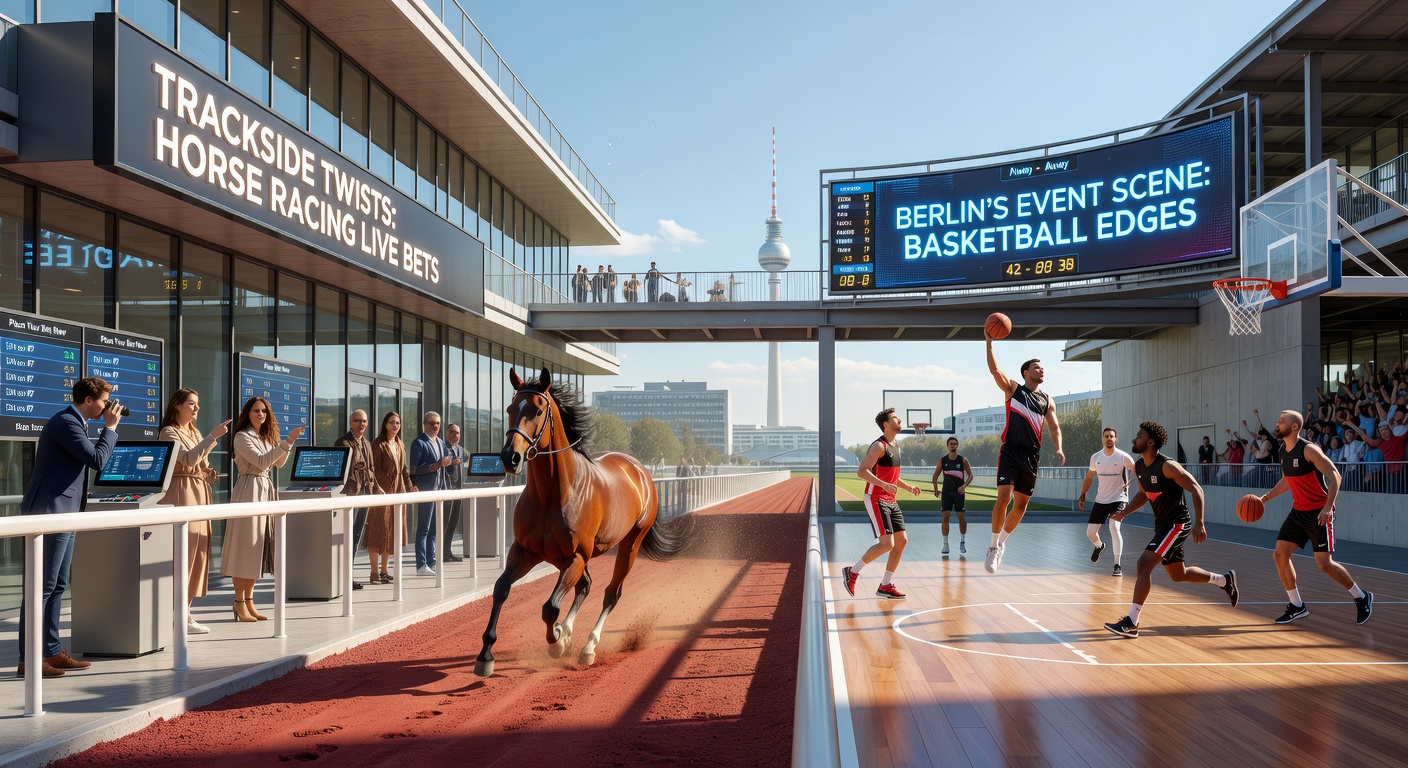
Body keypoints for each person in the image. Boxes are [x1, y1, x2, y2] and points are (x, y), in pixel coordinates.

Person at [16, 377, 121, 678]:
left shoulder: (76, 423)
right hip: (50, 513)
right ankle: (28, 659)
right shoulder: (66, 423)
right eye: (103, 401)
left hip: (66, 513)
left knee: (58, 585)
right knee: (41, 587)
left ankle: (51, 651)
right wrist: (111, 428)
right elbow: (96, 459)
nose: (107, 407)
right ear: (88, 400)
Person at [1103, 422, 1238, 638]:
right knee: (1178, 574)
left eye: (1139, 436)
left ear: (1150, 442)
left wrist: (1200, 522)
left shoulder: (1167, 466)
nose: (1135, 439)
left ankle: (1132, 622)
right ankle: (1224, 580)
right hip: (1162, 525)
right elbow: (1143, 494)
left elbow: (1196, 488)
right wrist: (1125, 512)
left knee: (1143, 564)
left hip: (1177, 523)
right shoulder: (1139, 466)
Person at [1259, 410, 1372, 625]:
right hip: (1298, 512)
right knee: (1280, 554)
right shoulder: (1282, 450)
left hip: (1318, 512)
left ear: (1294, 427)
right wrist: (1266, 498)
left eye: (1282, 421)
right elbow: (1287, 480)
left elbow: (1335, 475)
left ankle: (1361, 596)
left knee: (1324, 564)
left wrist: (1328, 507)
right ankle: (1297, 605)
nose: (1277, 423)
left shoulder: (1309, 450)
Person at [982, 339, 1064, 573]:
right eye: (1037, 367)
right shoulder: (1013, 390)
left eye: (1043, 368)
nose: (1042, 370)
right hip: (1010, 450)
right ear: (1026, 372)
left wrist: (1059, 448)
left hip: (1031, 455)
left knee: (1021, 505)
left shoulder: (1047, 400)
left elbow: (1054, 428)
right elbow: (994, 370)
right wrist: (989, 342)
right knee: (1004, 498)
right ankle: (992, 547)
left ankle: (1001, 543)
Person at [158, 389, 231, 633]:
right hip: (181, 493)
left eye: (197, 404)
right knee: (184, 553)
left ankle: (186, 613)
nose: (196, 408)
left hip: (199, 492)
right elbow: (187, 460)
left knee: (198, 553)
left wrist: (208, 473)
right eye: (191, 404)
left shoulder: (195, 432)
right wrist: (213, 437)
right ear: (177, 406)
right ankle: (177, 616)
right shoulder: (169, 432)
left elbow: (199, 464)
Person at [224, 397, 304, 622]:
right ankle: (239, 601)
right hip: (248, 489)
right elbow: (261, 462)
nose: (261, 414)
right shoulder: (242, 436)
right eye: (256, 411)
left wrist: (287, 444)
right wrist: (287, 441)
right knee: (243, 547)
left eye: (264, 411)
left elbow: (278, 463)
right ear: (247, 414)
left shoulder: (265, 437)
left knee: (257, 547)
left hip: (265, 488)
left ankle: (249, 601)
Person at [841, 408, 921, 599]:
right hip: (875, 498)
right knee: (886, 544)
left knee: (901, 541)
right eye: (895, 418)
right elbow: (862, 471)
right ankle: (852, 572)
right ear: (886, 424)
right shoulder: (879, 446)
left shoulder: (896, 446)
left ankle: (885, 585)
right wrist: (883, 485)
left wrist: (908, 487)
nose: (899, 420)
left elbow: (893, 477)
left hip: (891, 500)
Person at [1077, 427, 1137, 577]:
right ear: (1102, 439)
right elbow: (1089, 477)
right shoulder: (1095, 457)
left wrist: (1131, 482)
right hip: (1101, 500)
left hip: (1119, 499)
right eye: (1106, 436)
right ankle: (1099, 546)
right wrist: (1082, 495)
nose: (1109, 439)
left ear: (1115, 439)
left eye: (1111, 436)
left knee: (1114, 528)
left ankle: (1117, 565)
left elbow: (1138, 471)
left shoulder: (1123, 457)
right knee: (1090, 533)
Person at [364, 412, 412, 584]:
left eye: (397, 423)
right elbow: (372, 470)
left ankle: (384, 571)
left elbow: (404, 470)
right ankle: (374, 573)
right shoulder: (377, 445)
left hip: (398, 492)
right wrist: (376, 488)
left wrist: (410, 488)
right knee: (377, 532)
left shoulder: (399, 443)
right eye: (391, 422)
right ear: (385, 424)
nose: (395, 425)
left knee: (392, 533)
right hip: (381, 494)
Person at [336, 409, 382, 589]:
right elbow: (348, 468)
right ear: (350, 422)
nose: (360, 424)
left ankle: (349, 576)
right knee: (346, 535)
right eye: (357, 420)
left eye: (363, 421)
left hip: (365, 492)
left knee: (356, 535)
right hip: (350, 494)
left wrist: (376, 487)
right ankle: (343, 577)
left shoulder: (367, 444)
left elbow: (371, 469)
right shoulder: (343, 442)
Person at [409, 412, 452, 575]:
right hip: (425, 491)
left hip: (439, 491)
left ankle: (432, 562)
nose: (435, 426)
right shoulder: (419, 443)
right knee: (423, 529)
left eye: (438, 423)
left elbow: (443, 463)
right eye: (432, 423)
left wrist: (446, 463)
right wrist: (436, 465)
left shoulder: (440, 442)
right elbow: (414, 470)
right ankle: (421, 565)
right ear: (424, 424)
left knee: (434, 529)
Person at [930, 436, 972, 555]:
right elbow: (935, 477)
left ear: (957, 446)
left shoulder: (963, 460)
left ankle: (962, 541)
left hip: (959, 493)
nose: (953, 445)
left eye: (955, 444)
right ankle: (945, 544)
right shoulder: (942, 461)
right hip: (947, 493)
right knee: (945, 517)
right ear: (947, 446)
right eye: (951, 444)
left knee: (961, 516)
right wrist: (936, 490)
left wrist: (964, 486)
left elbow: (970, 475)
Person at [441, 423, 466, 563]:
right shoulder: (442, 448)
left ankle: (447, 551)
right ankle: (440, 552)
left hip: (458, 491)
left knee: (453, 522)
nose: (454, 435)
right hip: (446, 490)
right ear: (446, 434)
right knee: (444, 522)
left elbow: (468, 460)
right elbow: (439, 464)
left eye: (457, 433)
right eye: (451, 432)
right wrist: (451, 462)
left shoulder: (461, 450)